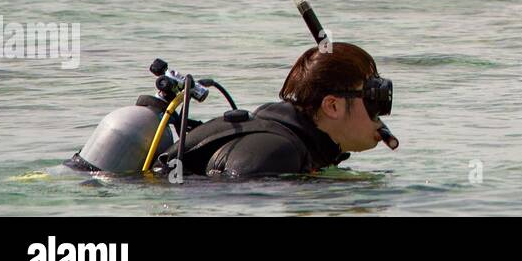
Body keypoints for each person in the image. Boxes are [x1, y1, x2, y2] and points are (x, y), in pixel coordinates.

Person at [163, 42, 391, 178]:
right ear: (332, 106)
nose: (381, 113)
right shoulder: (278, 152)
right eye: (372, 100)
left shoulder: (293, 144)